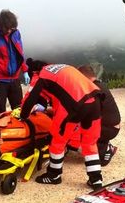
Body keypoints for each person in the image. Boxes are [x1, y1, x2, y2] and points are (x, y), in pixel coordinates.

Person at [20, 59, 104, 189]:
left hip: (74, 106)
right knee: (89, 142)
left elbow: (31, 99)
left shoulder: (42, 75)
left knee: (57, 140)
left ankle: (54, 175)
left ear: (34, 71)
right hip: (95, 100)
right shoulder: (63, 67)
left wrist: (23, 116)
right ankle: (96, 180)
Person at [72, 65, 120, 166]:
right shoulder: (100, 86)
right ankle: (103, 144)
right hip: (112, 126)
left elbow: (83, 111)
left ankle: (105, 148)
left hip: (107, 129)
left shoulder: (92, 90)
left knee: (71, 127)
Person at [0, 10, 30, 116]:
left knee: (19, 110)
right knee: (0, 113)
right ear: (2, 26)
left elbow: (20, 52)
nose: (11, 30)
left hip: (15, 78)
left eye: (13, 28)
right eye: (9, 28)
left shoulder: (16, 33)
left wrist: (25, 70)